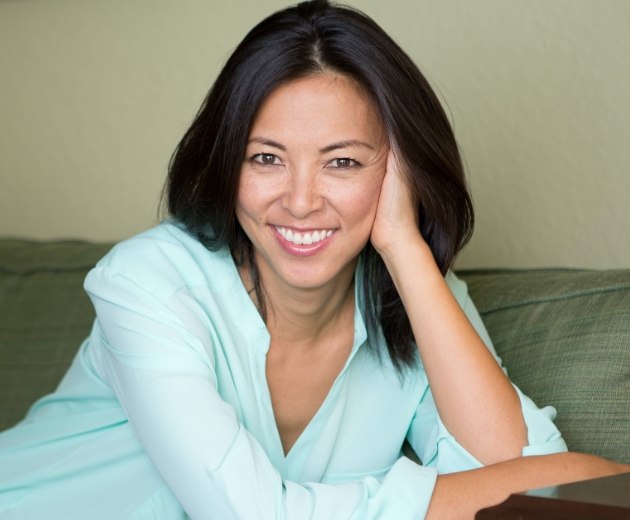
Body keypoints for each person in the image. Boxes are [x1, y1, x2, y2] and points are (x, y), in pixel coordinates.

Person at [0, 1, 628, 518]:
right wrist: (550, 478)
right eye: (265, 158)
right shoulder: (146, 284)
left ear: (400, 171)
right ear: (226, 163)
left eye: (343, 161)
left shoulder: (416, 296)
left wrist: (405, 247)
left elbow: (529, 481)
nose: (299, 202)